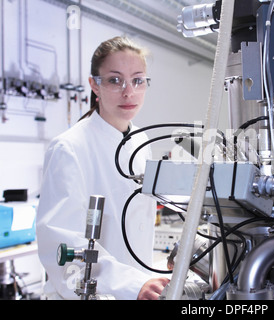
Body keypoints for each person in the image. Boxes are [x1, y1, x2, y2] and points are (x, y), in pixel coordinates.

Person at [37, 36, 170, 300]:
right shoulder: (70, 148)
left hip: (139, 286)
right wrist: (131, 286)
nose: (128, 92)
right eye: (114, 80)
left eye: (138, 80)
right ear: (94, 85)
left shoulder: (142, 142)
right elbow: (63, 245)